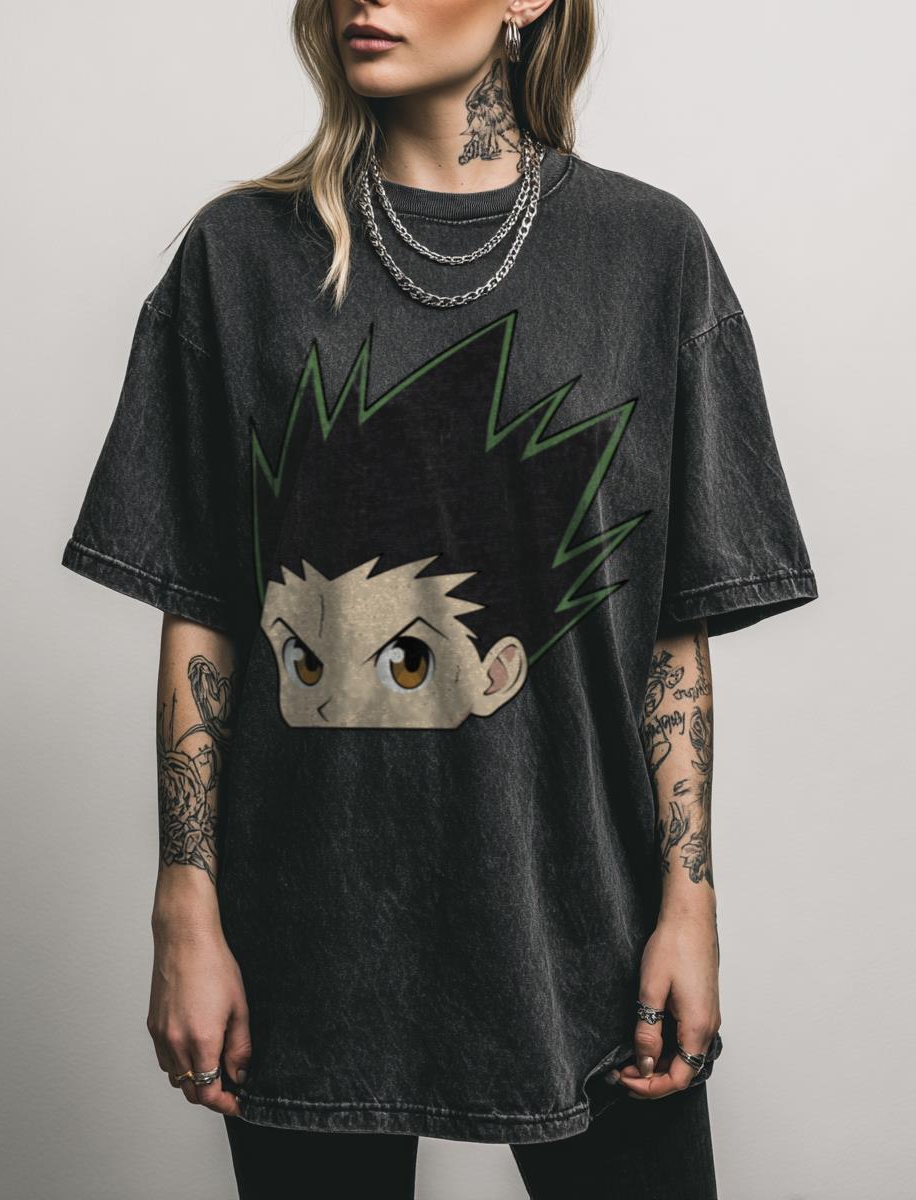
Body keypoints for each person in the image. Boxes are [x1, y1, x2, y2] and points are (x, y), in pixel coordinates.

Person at [60, 1, 819, 1196]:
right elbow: (203, 609)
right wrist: (185, 905)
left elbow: (670, 634)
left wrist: (690, 902)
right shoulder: (239, 257)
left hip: (585, 929)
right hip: (303, 938)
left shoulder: (650, 254)